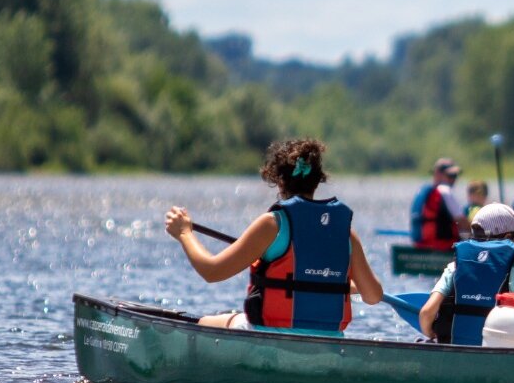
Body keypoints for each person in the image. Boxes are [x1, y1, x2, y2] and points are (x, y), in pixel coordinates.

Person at [163, 139, 383, 335]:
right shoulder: (345, 234)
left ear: (279, 181)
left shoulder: (273, 224)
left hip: (271, 336)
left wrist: (184, 233)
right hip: (328, 343)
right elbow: (373, 296)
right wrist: (341, 283)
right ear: (317, 181)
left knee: (208, 322)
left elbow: (212, 271)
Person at [419, 204, 514, 345]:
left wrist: (431, 333)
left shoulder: (453, 268)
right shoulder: (513, 275)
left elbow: (426, 313)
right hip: (495, 353)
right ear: (508, 238)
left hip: (452, 347)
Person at [409, 157, 467, 251]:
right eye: (451, 175)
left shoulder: (423, 191)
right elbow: (463, 222)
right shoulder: (445, 191)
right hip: (442, 247)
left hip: (421, 246)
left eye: (455, 176)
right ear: (438, 174)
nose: (454, 179)